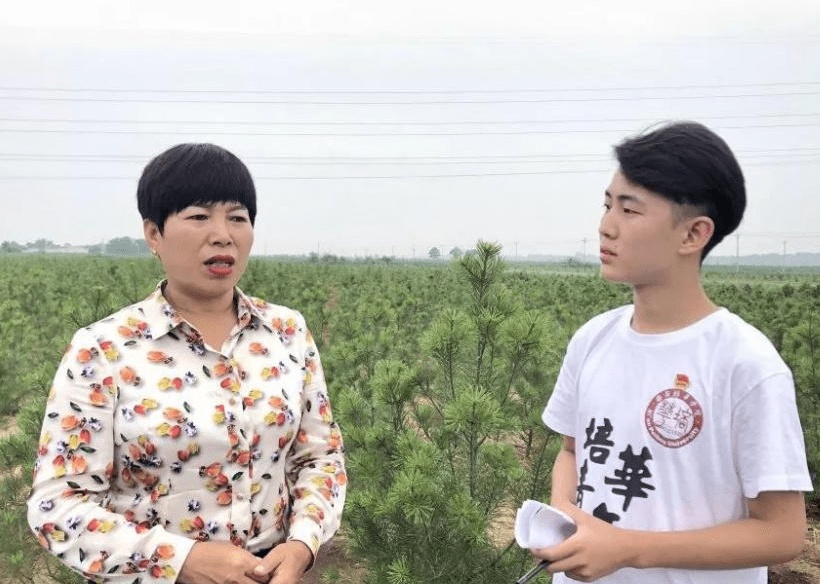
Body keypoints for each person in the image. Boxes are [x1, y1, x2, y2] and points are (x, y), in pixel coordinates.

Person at [26, 143, 347, 584]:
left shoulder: (286, 332)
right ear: (153, 234)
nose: (222, 235)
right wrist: (181, 561)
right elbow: (58, 507)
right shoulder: (103, 350)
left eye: (237, 217)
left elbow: (320, 456)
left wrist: (302, 545)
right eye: (199, 216)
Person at [534, 121, 812, 583]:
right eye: (607, 205)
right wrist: (564, 517)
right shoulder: (592, 339)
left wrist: (628, 549)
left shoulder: (745, 363)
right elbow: (571, 451)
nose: (606, 226)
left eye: (629, 210)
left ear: (693, 234)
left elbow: (781, 533)